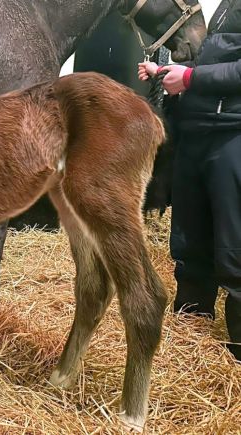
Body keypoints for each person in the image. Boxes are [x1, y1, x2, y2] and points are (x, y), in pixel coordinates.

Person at [138, 0, 240, 361]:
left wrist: (190, 78)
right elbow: (215, 65)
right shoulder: (226, 7)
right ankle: (192, 349)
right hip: (198, 132)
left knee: (233, 247)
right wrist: (168, 70)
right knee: (189, 245)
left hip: (232, 134)